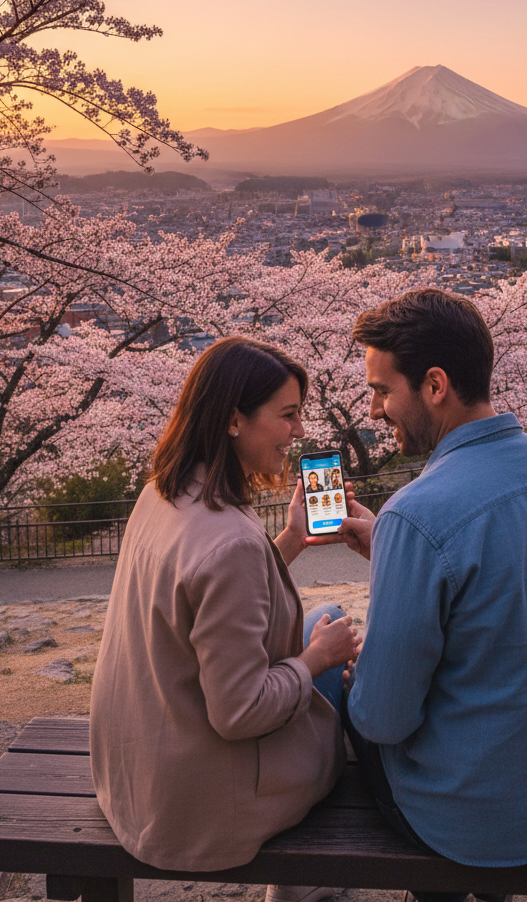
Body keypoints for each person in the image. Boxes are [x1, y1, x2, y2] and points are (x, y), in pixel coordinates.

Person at [333, 289, 527, 891]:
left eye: (383, 390)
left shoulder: (418, 515)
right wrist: (392, 545)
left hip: (471, 818)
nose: (375, 409)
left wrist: (352, 680)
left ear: (435, 385)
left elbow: (384, 719)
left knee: (337, 689)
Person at [90, 337, 361, 902]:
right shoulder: (230, 541)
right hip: (201, 802)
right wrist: (317, 659)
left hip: (137, 768)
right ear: (235, 419)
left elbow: (207, 605)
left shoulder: (161, 495)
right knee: (351, 696)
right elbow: (240, 713)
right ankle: (305, 890)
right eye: (287, 416)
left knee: (327, 616)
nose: (298, 432)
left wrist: (290, 539)